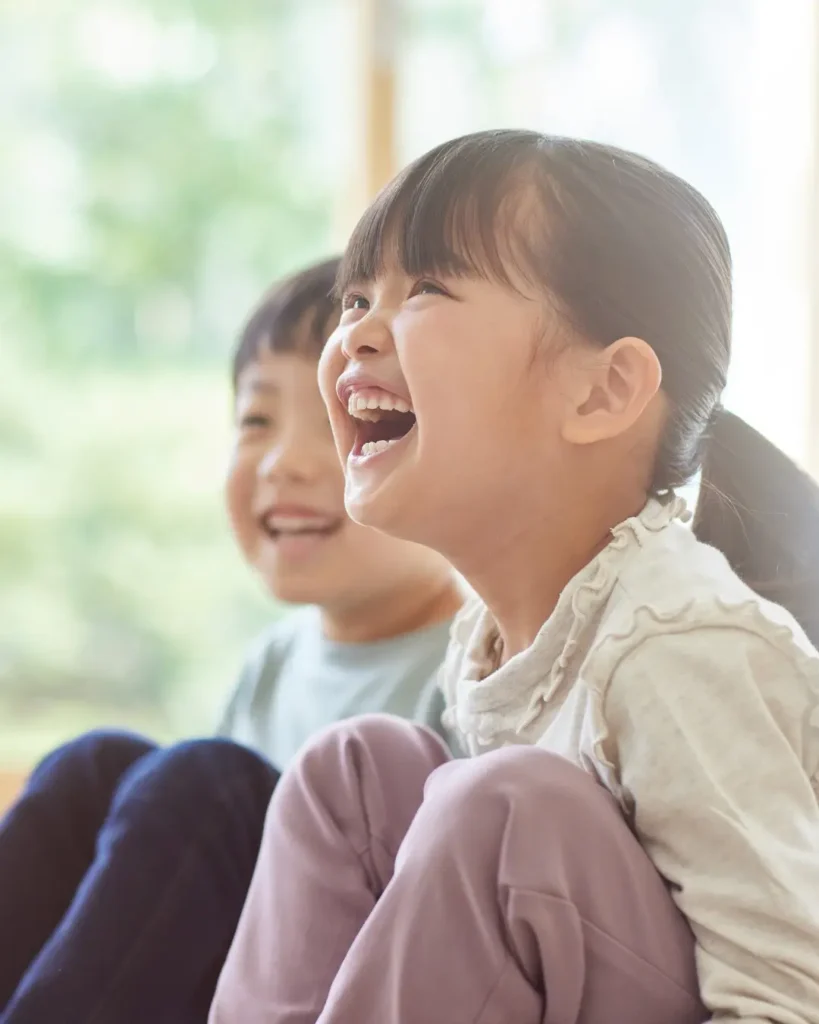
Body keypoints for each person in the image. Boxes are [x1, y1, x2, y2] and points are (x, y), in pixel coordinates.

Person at [209, 130, 819, 1024]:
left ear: (602, 392)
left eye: (423, 289)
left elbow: (786, 993)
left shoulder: (677, 641)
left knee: (502, 807)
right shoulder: (486, 646)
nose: (353, 336)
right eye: (354, 297)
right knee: (356, 768)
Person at [0, 258, 462, 1024]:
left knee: (203, 780)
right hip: (215, 973)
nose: (285, 462)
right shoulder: (275, 662)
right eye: (257, 421)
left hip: (328, 990)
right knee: (95, 766)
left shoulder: (475, 665)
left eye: (352, 418)